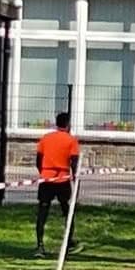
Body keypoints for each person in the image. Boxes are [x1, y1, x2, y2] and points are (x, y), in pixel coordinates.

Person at [34, 110, 79, 258]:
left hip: (46, 178)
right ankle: (69, 241)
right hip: (62, 179)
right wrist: (74, 177)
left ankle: (39, 245)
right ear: (68, 125)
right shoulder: (71, 140)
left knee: (42, 211)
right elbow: (74, 161)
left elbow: (38, 159)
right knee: (67, 210)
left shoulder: (45, 138)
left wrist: (43, 172)